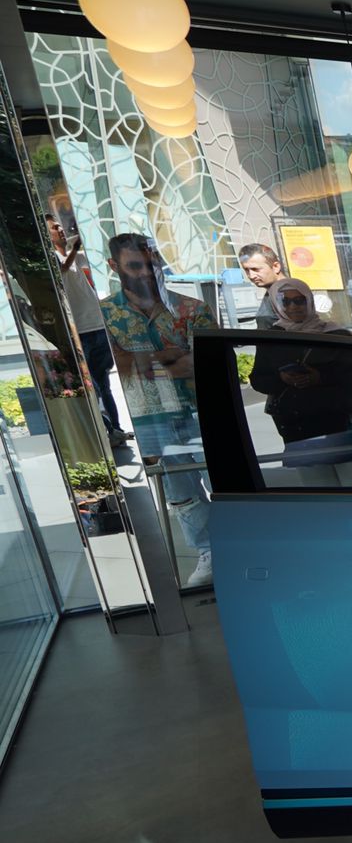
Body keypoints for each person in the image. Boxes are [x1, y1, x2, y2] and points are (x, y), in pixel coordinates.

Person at [100, 233, 214, 588]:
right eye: (135, 266)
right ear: (114, 266)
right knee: (180, 493)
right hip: (150, 417)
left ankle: (247, 543)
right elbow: (117, 367)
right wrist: (172, 355)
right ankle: (209, 552)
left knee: (225, 482)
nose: (146, 273)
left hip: (202, 410)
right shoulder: (105, 315)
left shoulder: (191, 309)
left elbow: (206, 363)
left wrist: (142, 361)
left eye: (151, 264)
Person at [246, 278, 352, 487]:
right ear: (277, 305)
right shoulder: (271, 339)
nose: (293, 307)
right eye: (286, 301)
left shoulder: (336, 335)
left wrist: (320, 377)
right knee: (320, 491)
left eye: (299, 300)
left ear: (309, 301)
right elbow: (259, 380)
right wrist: (283, 379)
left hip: (341, 424)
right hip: (299, 428)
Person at [48, 217, 129, 443]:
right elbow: (62, 270)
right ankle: (108, 432)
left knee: (104, 384)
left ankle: (117, 429)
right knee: (93, 385)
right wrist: (75, 248)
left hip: (98, 325)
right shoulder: (53, 258)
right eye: (54, 228)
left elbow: (97, 260)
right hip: (81, 331)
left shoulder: (75, 256)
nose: (60, 229)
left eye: (60, 226)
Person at [238, 241, 285, 328]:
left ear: (276, 267)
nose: (251, 276)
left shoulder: (289, 293)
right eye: (246, 270)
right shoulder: (273, 291)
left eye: (255, 269)